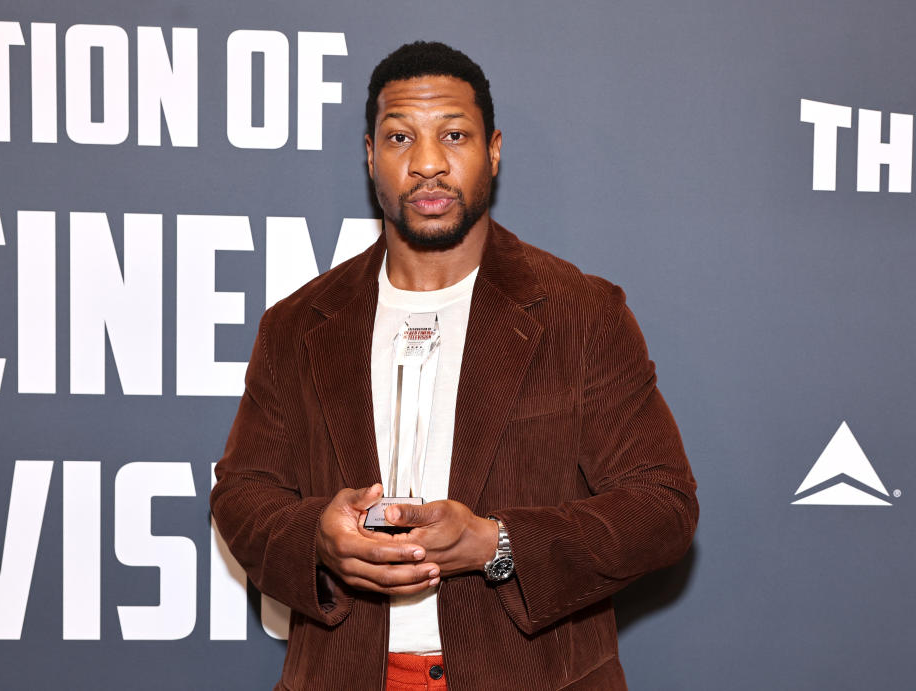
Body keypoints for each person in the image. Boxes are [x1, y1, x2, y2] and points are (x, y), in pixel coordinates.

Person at [210, 41, 698, 691]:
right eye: (400, 137)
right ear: (369, 156)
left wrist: (497, 543)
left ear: (492, 150)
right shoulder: (299, 324)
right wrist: (318, 540)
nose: (428, 163)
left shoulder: (581, 313)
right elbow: (242, 495)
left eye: (454, 134)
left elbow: (662, 506)